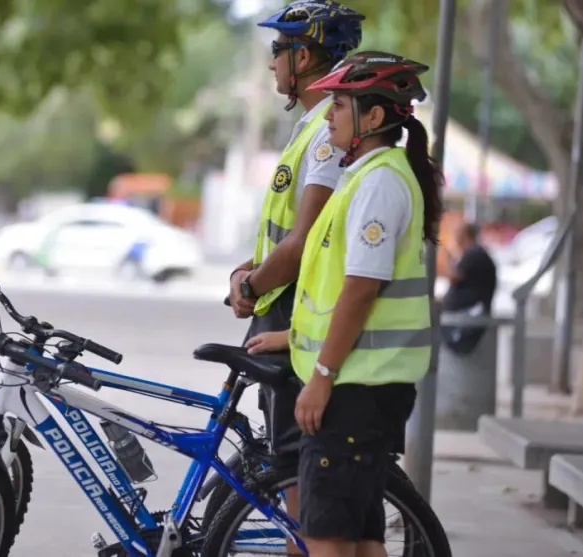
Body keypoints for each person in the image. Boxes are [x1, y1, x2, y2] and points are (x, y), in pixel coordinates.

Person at [245, 51, 444, 557]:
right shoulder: (368, 176)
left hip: (354, 390)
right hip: (366, 385)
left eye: (339, 105)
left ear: (373, 118)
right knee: (362, 540)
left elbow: (361, 289)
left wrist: (321, 377)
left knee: (325, 539)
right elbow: (339, 292)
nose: (328, 114)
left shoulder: (377, 183)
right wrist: (294, 336)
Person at [226, 0, 365, 527]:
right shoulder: (312, 126)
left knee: (295, 486)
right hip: (280, 304)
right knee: (286, 469)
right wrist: (247, 271)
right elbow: (284, 235)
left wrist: (250, 287)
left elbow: (305, 241)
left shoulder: (326, 137)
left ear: (302, 57)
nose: (271, 63)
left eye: (277, 50)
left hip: (293, 313)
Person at [440, 221, 498, 353]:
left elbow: (455, 276)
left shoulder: (474, 254)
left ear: (463, 236)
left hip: (465, 318)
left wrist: (446, 256)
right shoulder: (474, 254)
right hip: (463, 316)